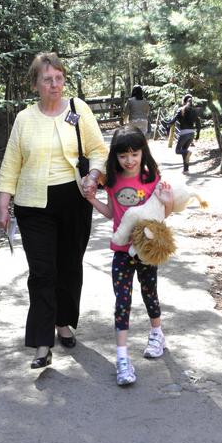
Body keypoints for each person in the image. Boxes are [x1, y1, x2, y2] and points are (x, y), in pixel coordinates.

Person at [0, 52, 108, 369]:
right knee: (43, 273)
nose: (55, 84)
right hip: (34, 206)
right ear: (35, 84)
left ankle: (63, 322)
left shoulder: (78, 110)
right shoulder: (24, 119)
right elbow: (11, 164)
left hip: (73, 200)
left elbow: (98, 150)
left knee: (69, 266)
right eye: (48, 79)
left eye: (59, 78)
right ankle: (42, 342)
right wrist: (4, 201)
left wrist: (95, 175)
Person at [83, 126, 173, 386]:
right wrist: (91, 199)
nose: (129, 160)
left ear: (143, 153)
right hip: (122, 252)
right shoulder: (112, 180)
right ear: (116, 157)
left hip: (146, 250)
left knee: (149, 293)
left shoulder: (152, 177)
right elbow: (112, 213)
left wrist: (166, 201)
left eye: (135, 154)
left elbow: (161, 216)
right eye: (123, 156)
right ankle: (122, 358)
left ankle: (157, 332)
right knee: (122, 301)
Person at [166, 94, 201, 174]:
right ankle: (186, 170)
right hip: (191, 133)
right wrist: (198, 134)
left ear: (184, 101)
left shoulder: (181, 109)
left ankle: (188, 153)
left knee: (178, 150)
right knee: (184, 151)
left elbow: (173, 120)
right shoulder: (194, 111)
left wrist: (168, 126)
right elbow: (198, 123)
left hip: (184, 133)